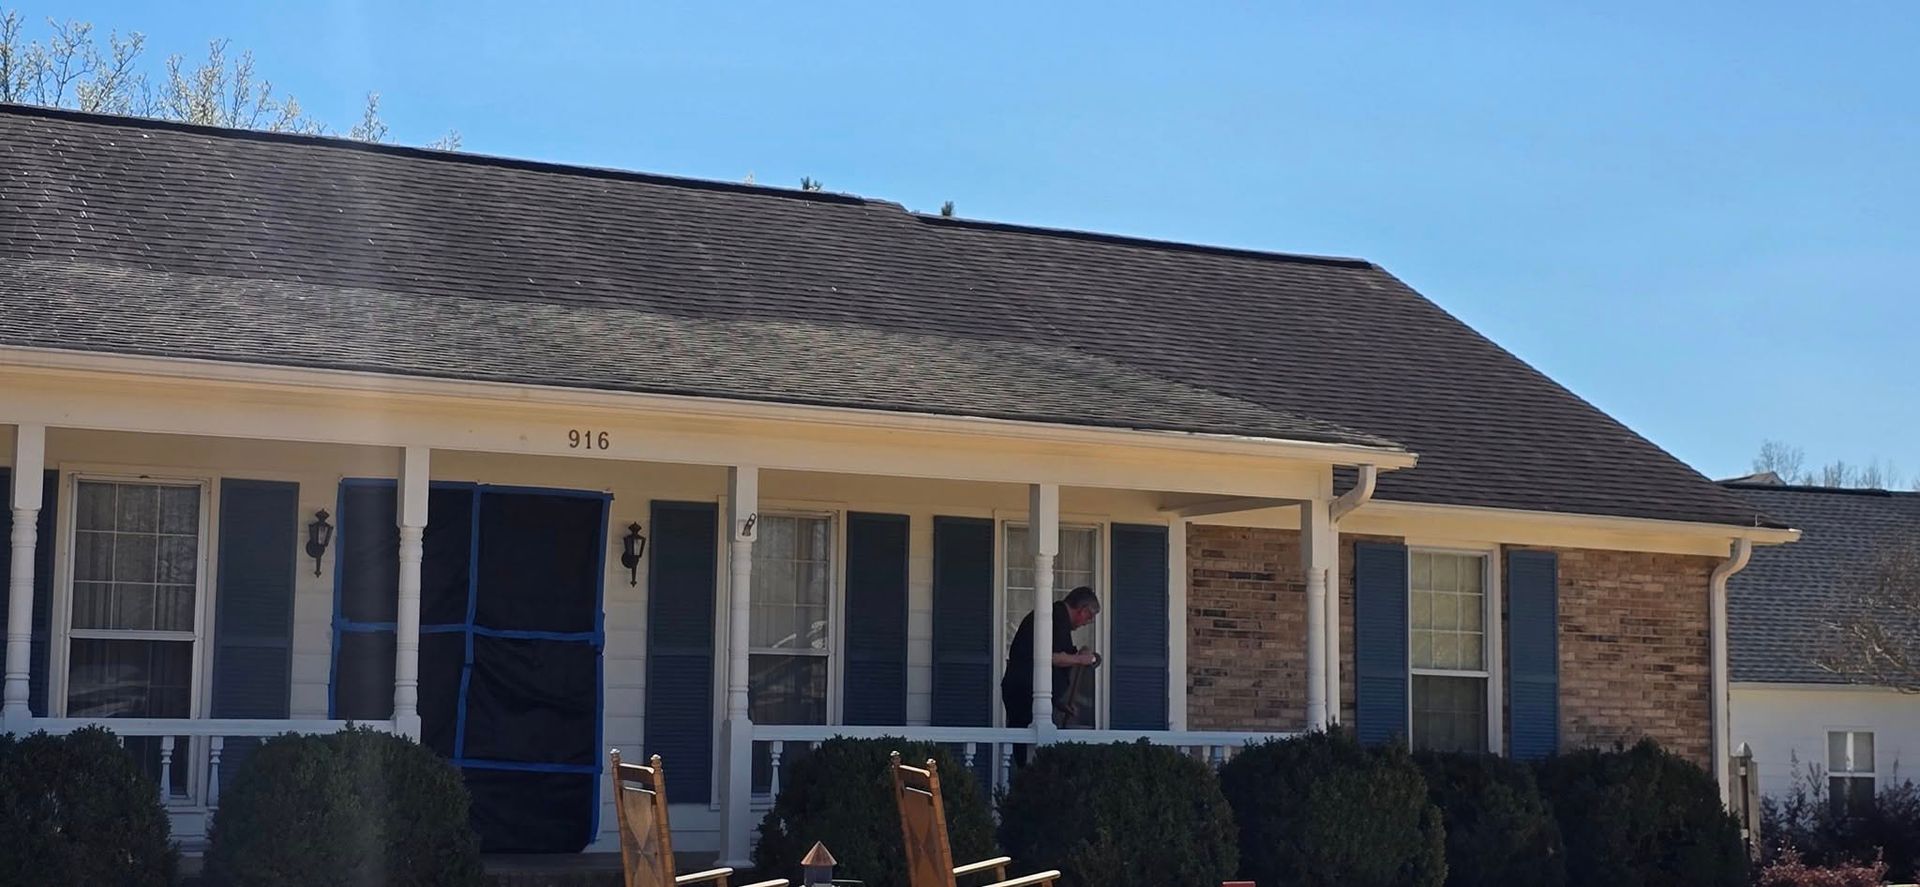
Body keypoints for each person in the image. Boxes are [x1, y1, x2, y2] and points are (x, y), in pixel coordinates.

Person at [1001, 586, 1100, 764]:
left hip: (1027, 693)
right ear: (1083, 610)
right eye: (1089, 618)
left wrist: (1059, 704)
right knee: (1027, 751)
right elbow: (1050, 657)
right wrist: (1080, 660)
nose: (1086, 623)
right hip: (1023, 693)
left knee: (1029, 750)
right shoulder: (1055, 617)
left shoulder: (1057, 618)